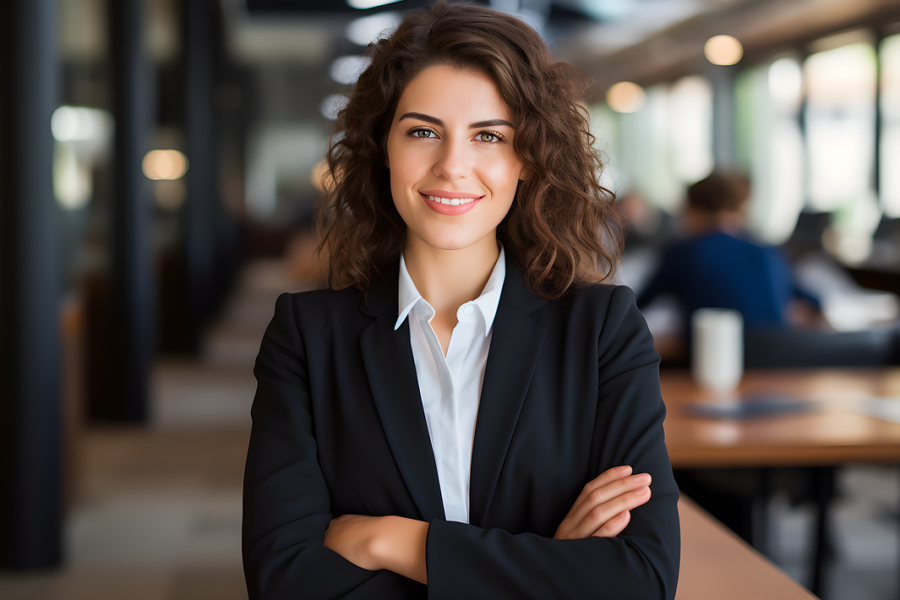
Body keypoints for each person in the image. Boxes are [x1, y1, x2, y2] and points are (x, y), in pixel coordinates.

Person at [242, 3, 680, 598]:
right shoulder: (306, 337)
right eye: (423, 131)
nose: (452, 166)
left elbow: (641, 580)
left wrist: (391, 543)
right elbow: (284, 581)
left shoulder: (602, 330)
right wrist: (551, 565)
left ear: (527, 160)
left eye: (489, 136)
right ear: (383, 149)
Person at [636, 171, 821, 331]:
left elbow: (634, 307)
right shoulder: (769, 252)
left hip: (711, 363)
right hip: (777, 364)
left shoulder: (683, 254)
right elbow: (815, 303)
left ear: (695, 210)